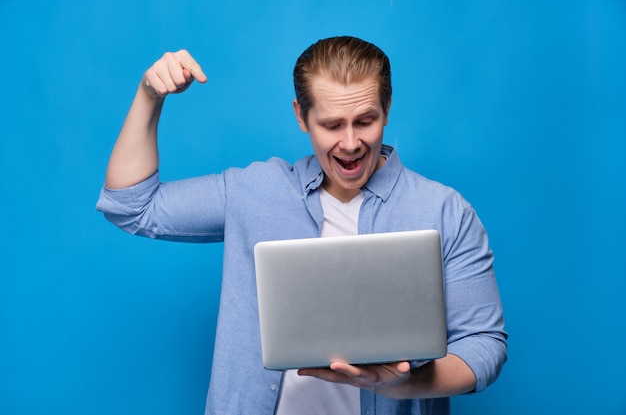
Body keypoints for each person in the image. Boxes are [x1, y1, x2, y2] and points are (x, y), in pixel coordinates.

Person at [97, 36, 507, 415]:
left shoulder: (443, 210)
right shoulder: (254, 191)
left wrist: (399, 385)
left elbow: (484, 347)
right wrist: (149, 96)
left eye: (365, 120)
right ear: (301, 116)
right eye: (332, 124)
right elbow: (132, 205)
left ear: (387, 109)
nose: (350, 143)